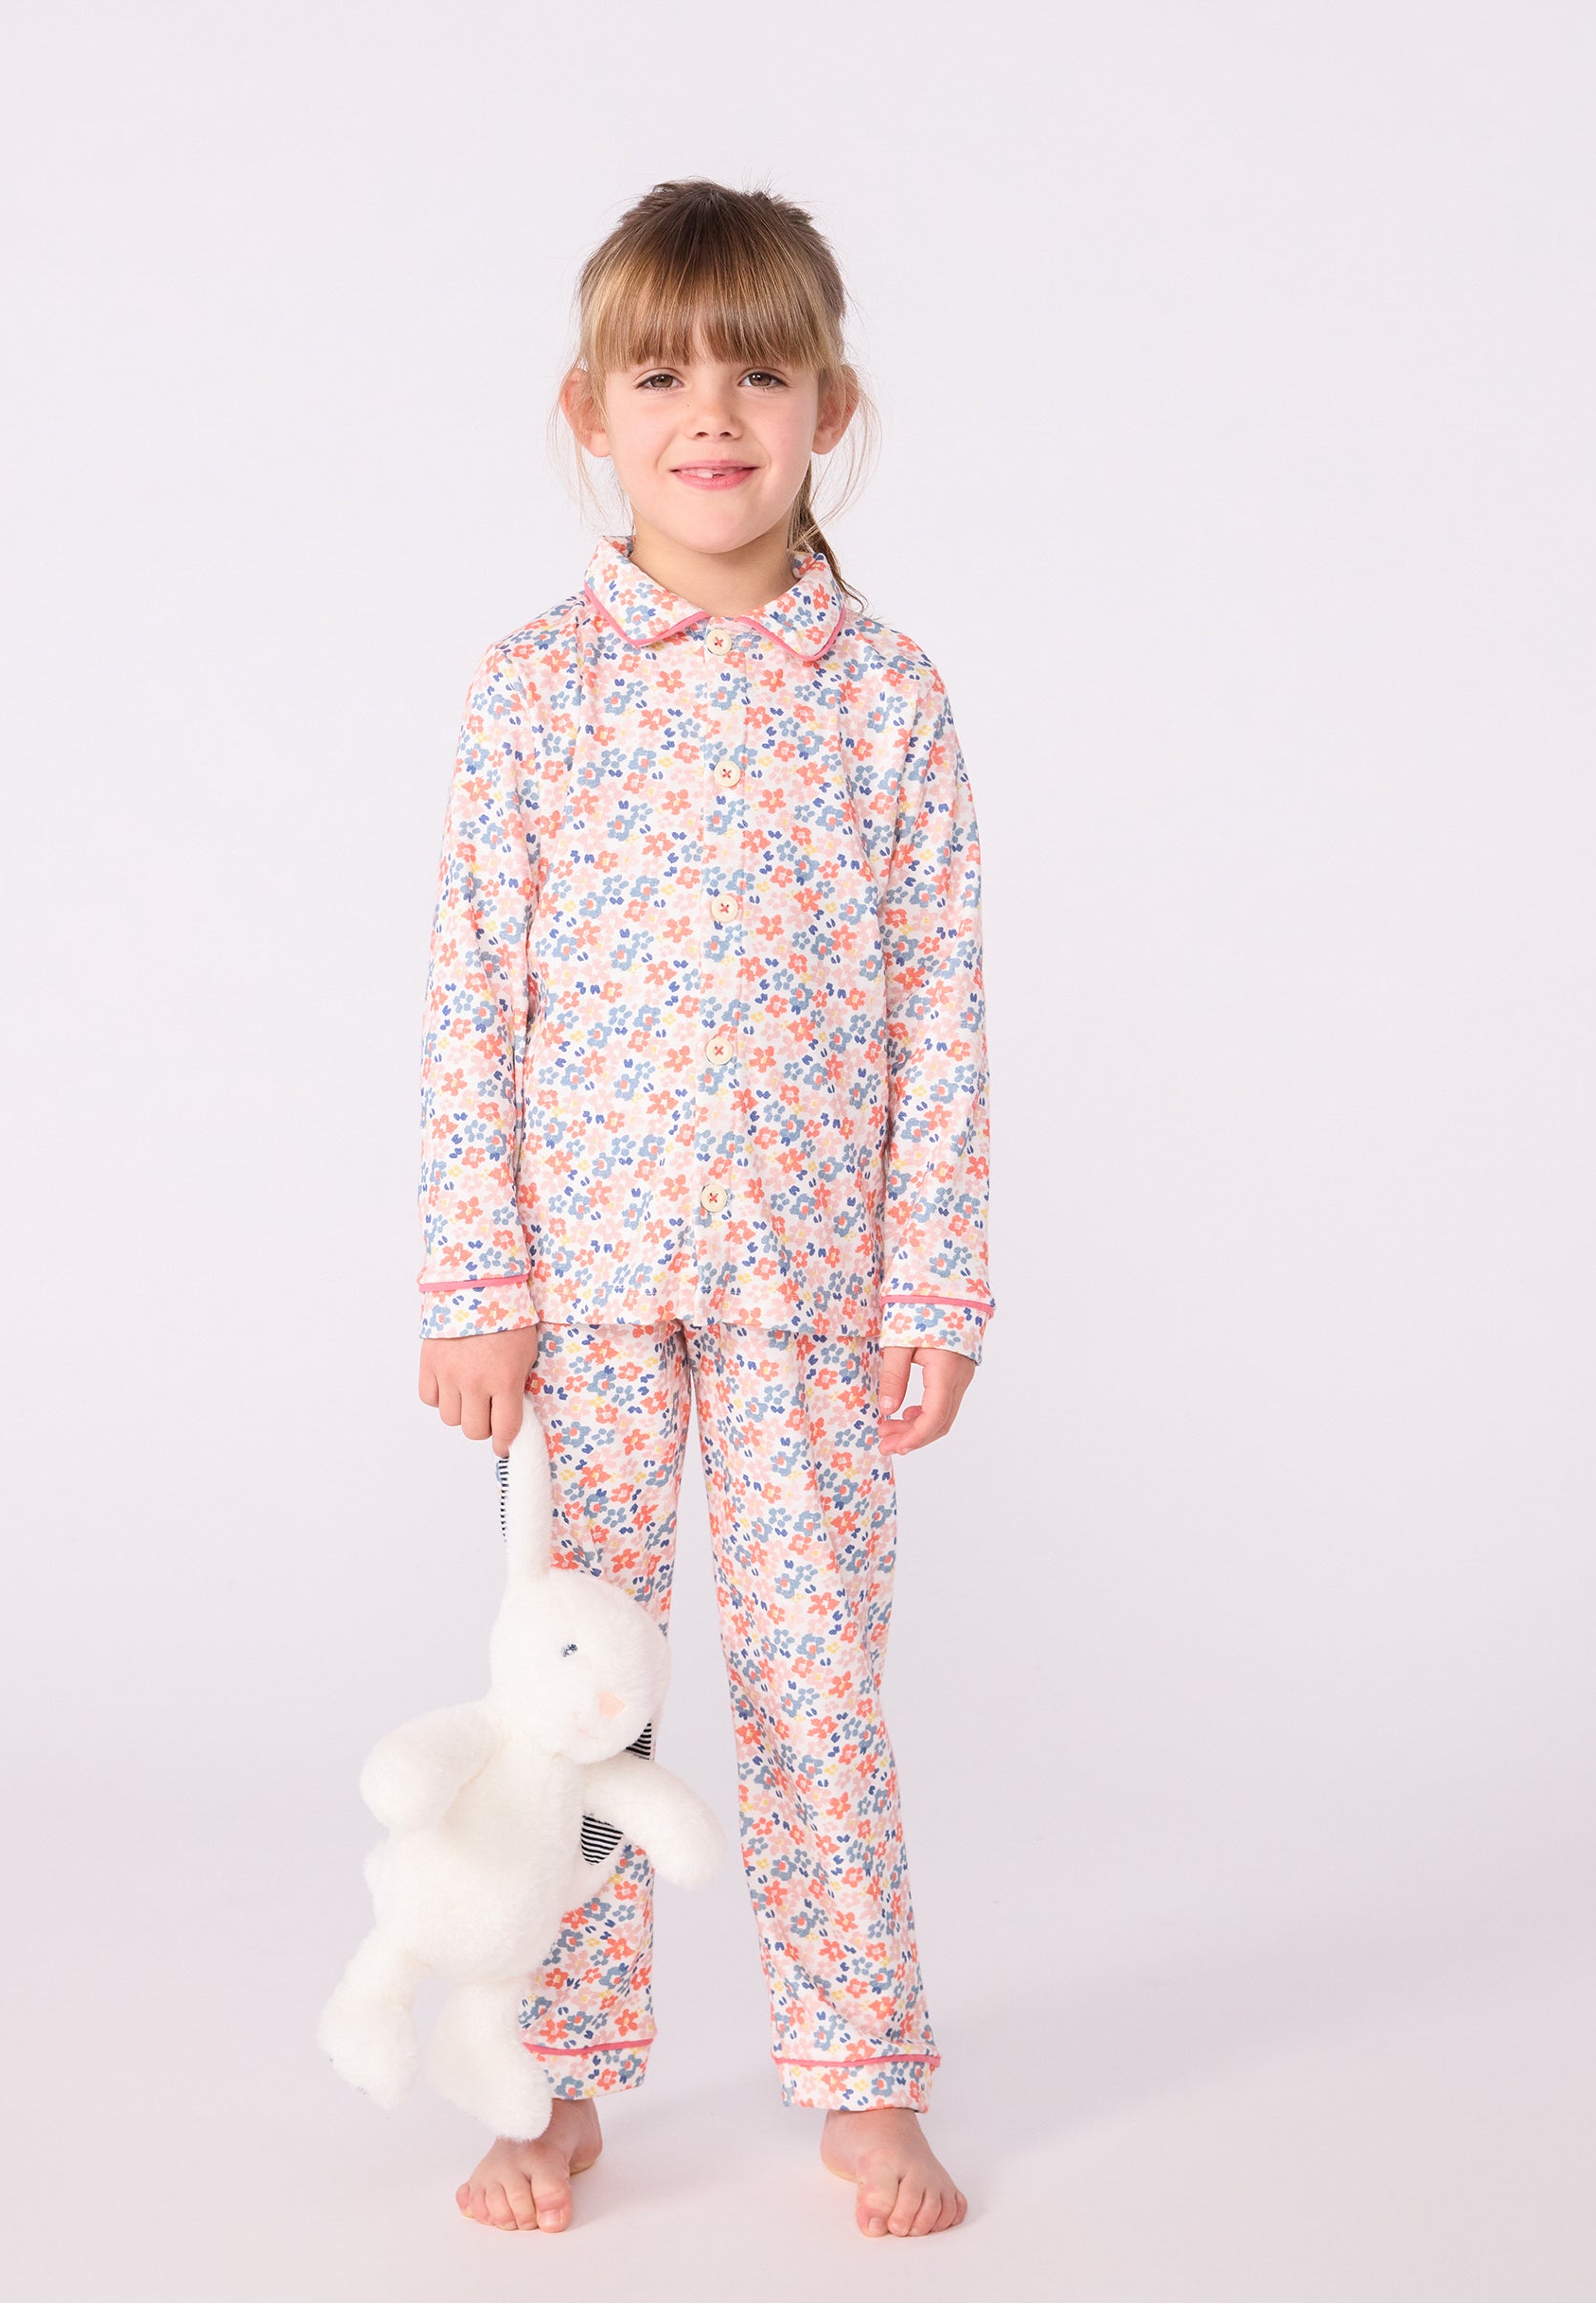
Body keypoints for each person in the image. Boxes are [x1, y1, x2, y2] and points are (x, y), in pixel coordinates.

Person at [414, 178, 988, 2240]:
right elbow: (472, 1001)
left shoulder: (887, 697)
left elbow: (939, 1008)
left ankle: (861, 2072)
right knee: (570, 1701)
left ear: (830, 404)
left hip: (808, 1288)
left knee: (815, 1680)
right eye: (661, 376)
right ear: (590, 410)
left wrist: (935, 1285)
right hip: (576, 1291)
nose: (712, 414)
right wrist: (475, 1281)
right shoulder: (533, 689)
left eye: (756, 372)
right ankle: (549, 2073)